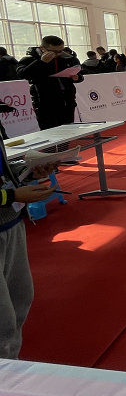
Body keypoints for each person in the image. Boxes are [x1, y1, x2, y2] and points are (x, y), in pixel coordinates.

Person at [0, 138, 61, 359]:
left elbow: (3, 169)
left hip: (10, 223)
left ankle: (11, 365)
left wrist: (27, 173)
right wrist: (11, 196)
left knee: (20, 300)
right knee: (3, 320)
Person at [17, 36, 83, 131]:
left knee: (69, 130)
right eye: (54, 51)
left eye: (61, 50)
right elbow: (22, 74)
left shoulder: (68, 58)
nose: (58, 54)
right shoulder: (30, 59)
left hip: (67, 100)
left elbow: (80, 74)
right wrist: (41, 62)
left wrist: (78, 78)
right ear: (42, 48)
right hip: (45, 102)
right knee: (49, 131)